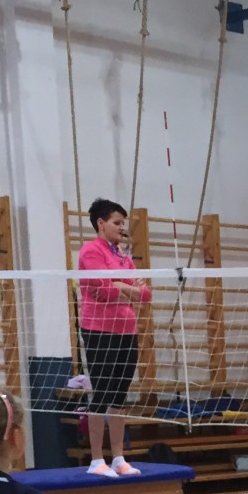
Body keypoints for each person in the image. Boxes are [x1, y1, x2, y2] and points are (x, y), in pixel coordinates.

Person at [75, 198, 150, 479]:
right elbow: (102, 290)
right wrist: (125, 287)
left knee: (120, 394)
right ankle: (97, 459)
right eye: (117, 222)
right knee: (103, 392)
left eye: (123, 223)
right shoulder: (90, 251)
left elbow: (145, 295)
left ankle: (118, 457)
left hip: (127, 330)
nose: (121, 228)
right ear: (101, 223)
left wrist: (121, 285)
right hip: (99, 330)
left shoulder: (122, 257)